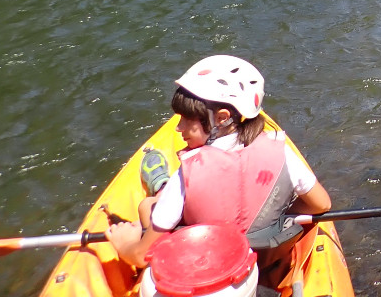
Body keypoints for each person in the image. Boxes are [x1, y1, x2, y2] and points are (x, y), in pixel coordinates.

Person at [105, 55, 332, 294]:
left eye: (186, 119)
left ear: (222, 117)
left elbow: (142, 257)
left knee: (146, 207)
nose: (178, 127)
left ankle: (162, 189)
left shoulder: (187, 173)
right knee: (157, 204)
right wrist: (281, 215)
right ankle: (163, 191)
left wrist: (125, 244)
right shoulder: (282, 152)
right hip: (261, 262)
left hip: (202, 271)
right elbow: (322, 204)